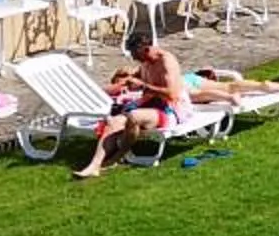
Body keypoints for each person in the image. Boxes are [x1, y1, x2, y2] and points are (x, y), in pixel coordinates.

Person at [76, 27, 192, 182]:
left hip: (171, 109)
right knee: (113, 122)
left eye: (134, 53)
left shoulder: (166, 62)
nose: (133, 57)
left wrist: (143, 86)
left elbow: (172, 94)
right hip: (150, 106)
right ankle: (93, 166)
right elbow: (127, 81)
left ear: (145, 49)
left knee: (133, 117)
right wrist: (112, 85)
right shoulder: (145, 62)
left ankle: (116, 157)